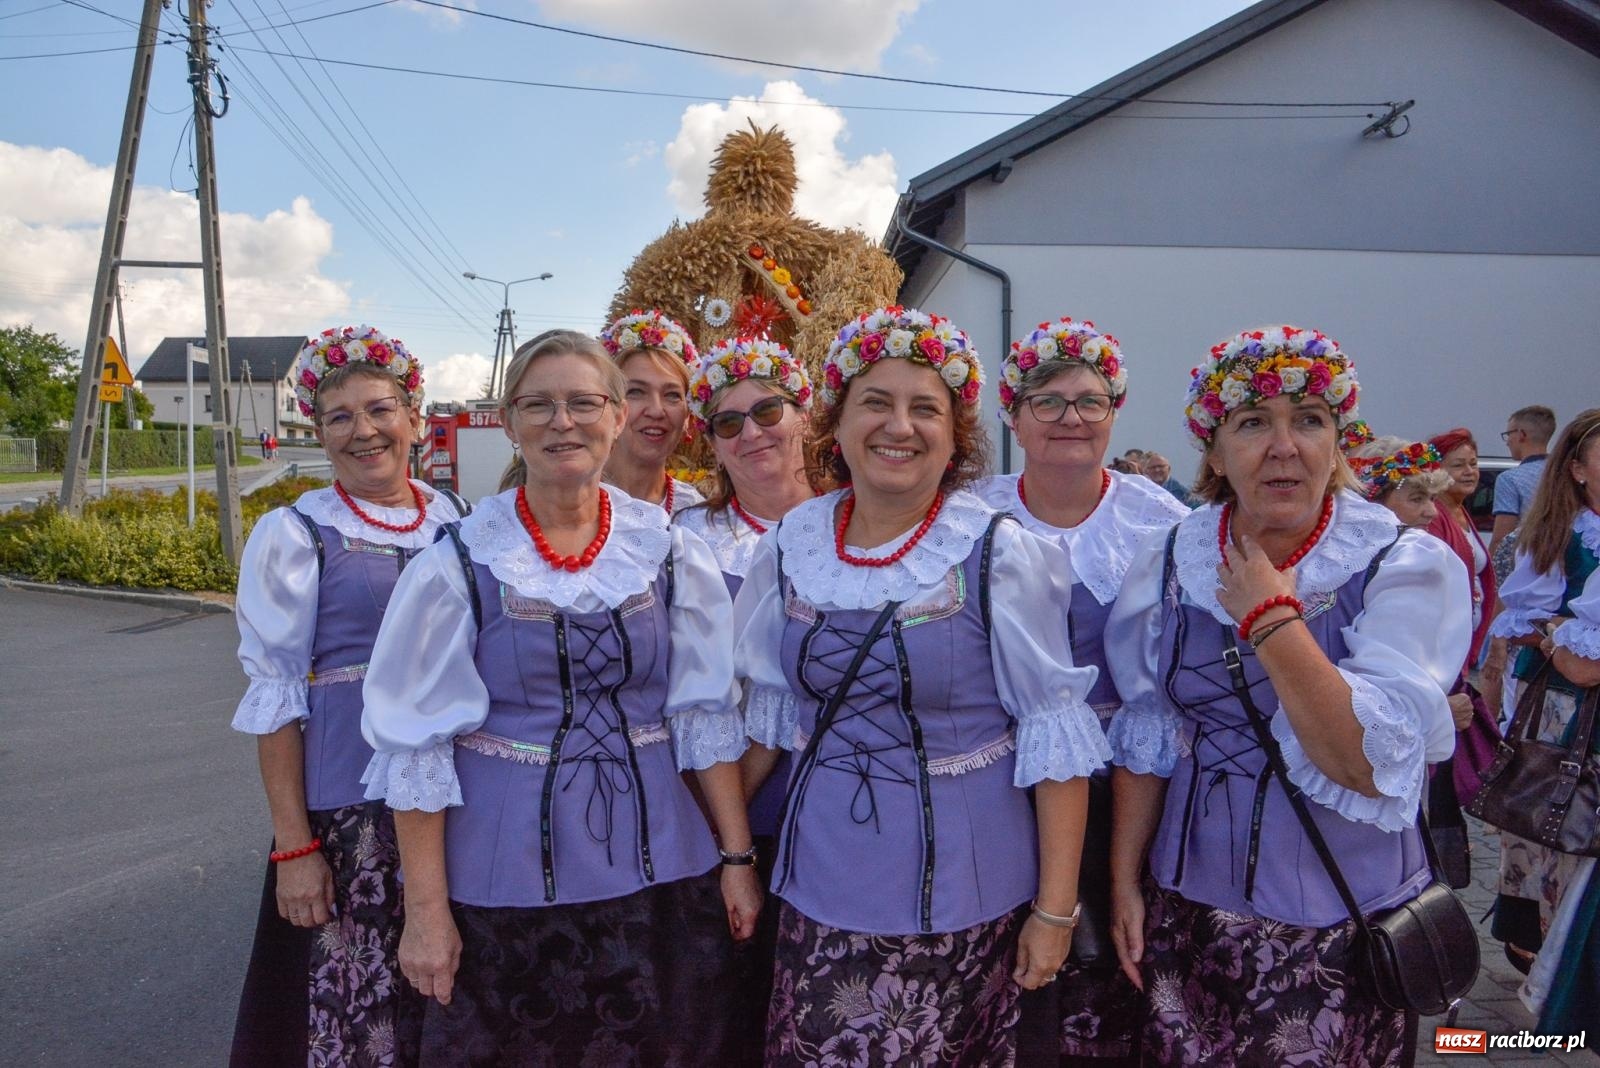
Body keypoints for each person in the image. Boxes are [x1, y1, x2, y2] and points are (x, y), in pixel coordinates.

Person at [358, 329, 759, 1066]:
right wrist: (425, 913)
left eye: (582, 402)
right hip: (500, 881)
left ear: (614, 417)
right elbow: (416, 748)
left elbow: (703, 717)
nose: (561, 421)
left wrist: (735, 857)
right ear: (509, 422)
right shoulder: (460, 560)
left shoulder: (667, 549)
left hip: (661, 875)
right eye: (538, 405)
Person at [736, 306, 1109, 1066]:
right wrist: (731, 854)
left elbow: (1054, 739)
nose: (898, 426)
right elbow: (769, 717)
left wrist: (1056, 911)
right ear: (836, 425)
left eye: (924, 408)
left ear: (955, 436)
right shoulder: (794, 544)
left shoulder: (999, 552)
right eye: (876, 401)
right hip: (819, 879)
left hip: (969, 895)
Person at [1107, 326, 1468, 1066]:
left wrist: (1271, 619)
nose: (1284, 446)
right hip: (1189, 909)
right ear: (1213, 451)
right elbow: (1150, 732)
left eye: (1309, 420)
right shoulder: (1169, 558)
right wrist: (1123, 884)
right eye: (1251, 424)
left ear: (1338, 441)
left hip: (1340, 921)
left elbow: (1363, 762)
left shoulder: (1401, 563)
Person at [230, 325, 454, 1068]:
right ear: (318, 434)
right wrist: (294, 846)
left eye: (380, 409)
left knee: (449, 980)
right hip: (350, 814)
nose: (365, 431)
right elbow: (277, 699)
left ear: (414, 419)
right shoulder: (296, 534)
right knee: (359, 998)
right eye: (340, 417)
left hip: (457, 797)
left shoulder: (458, 521)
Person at [977, 316, 1187, 1066]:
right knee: (1021, 963)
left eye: (1090, 401)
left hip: (1130, 782)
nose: (1071, 417)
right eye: (1048, 400)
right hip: (1005, 776)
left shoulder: (1159, 520)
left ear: (1114, 412)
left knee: (1121, 962)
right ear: (1014, 413)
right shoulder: (977, 515)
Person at [676, 335, 815, 1065]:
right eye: (729, 424)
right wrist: (723, 833)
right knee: (732, 1001)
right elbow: (692, 697)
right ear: (713, 448)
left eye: (767, 411)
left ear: (804, 417)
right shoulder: (691, 541)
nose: (752, 433)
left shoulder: (851, 522)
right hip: (725, 802)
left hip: (835, 800)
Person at [1485, 408, 1600, 995]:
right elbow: (1522, 620)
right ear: (1577, 469)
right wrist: (1559, 636)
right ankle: (1540, 945)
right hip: (1558, 704)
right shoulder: (1558, 534)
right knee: (1554, 814)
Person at [1483, 405, 1556, 716]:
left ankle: (1492, 725)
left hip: (1522, 575)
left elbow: (1502, 537)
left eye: (1509, 435)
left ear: (1521, 435)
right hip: (1559, 583)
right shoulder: (1564, 473)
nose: (1509, 442)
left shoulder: (1511, 480)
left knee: (1499, 655)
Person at [599, 309, 706, 514]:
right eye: (636, 392)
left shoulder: (696, 514)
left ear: (687, 416)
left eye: (672, 395)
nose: (657, 411)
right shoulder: (569, 504)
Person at [1428, 428, 1497, 672]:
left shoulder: (1460, 511)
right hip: (1444, 643)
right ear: (1436, 470)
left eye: (1473, 464)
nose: (1469, 472)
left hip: (1466, 636)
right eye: (1458, 465)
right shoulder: (1432, 516)